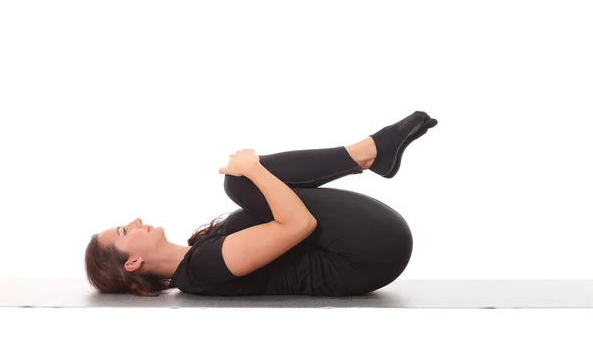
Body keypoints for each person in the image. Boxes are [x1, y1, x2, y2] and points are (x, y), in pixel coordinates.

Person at [85, 110, 438, 297]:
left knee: (243, 182)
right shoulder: (200, 268)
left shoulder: (199, 252)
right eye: (123, 230)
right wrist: (252, 169)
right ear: (133, 262)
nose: (134, 220)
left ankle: (372, 154)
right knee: (239, 181)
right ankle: (369, 154)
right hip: (369, 254)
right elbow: (299, 224)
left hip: (371, 246)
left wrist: (254, 174)